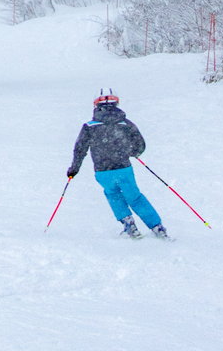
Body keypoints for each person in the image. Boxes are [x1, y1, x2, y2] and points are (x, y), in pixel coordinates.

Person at [67, 91, 167, 240]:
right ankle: (157, 227)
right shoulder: (125, 123)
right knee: (135, 197)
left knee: (112, 194)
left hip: (102, 171)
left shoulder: (89, 126)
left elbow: (80, 149)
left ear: (96, 106)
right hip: (123, 168)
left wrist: (74, 169)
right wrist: (132, 152)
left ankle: (129, 224)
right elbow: (140, 144)